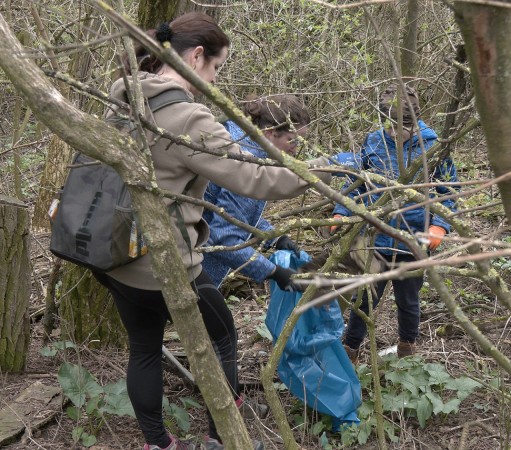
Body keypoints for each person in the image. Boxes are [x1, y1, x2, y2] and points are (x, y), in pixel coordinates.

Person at [93, 13, 335, 450]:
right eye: (217, 67)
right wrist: (326, 170)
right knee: (223, 338)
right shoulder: (187, 118)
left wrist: (273, 238)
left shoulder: (123, 99)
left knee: (144, 348)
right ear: (197, 56)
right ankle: (220, 437)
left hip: (115, 254)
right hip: (162, 263)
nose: (216, 78)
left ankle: (158, 444)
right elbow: (258, 179)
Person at [331, 84, 458, 363]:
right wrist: (341, 211)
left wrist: (439, 225)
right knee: (365, 298)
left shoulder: (434, 146)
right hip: (375, 235)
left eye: (407, 128)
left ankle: (407, 351)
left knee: (408, 300)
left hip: (413, 238)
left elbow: (448, 190)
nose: (401, 133)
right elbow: (355, 182)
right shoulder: (373, 142)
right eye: (396, 127)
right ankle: (349, 350)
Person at [202, 94, 312, 289]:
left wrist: (274, 238)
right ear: (270, 132)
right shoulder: (248, 163)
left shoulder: (233, 134)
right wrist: (274, 272)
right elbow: (224, 239)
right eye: (292, 141)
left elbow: (228, 211)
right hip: (192, 268)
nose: (295, 151)